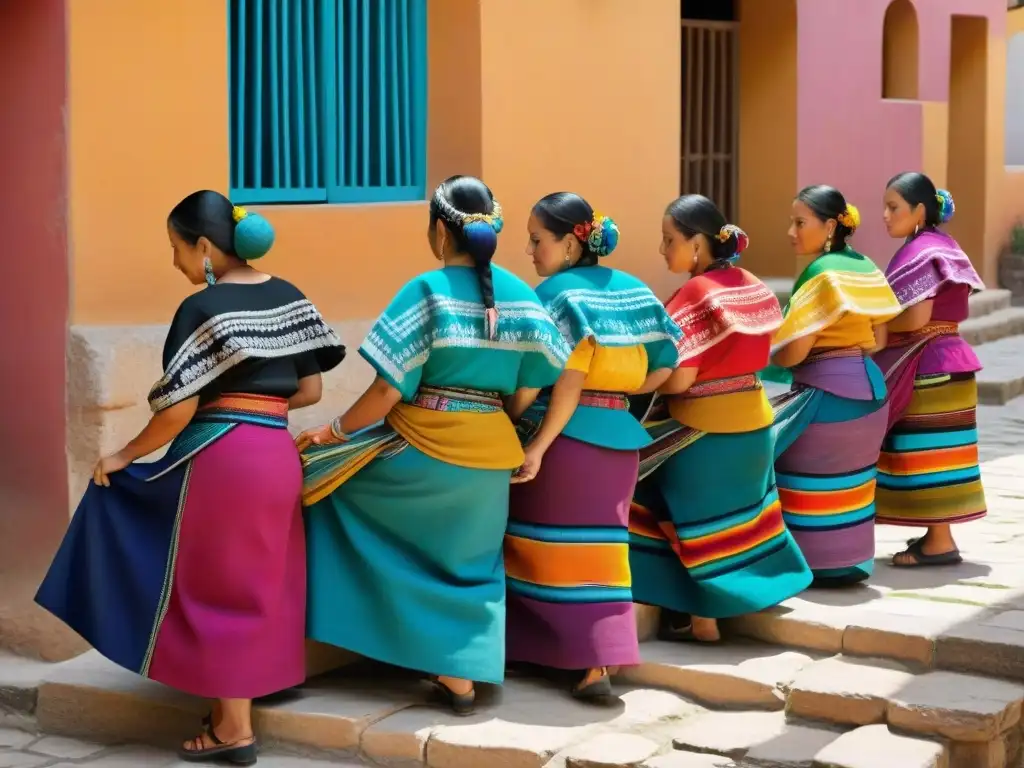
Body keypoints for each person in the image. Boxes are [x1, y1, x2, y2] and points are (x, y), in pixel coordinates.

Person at [35, 191, 345, 765]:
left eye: (176, 249)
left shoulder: (202, 308)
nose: (175, 263)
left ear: (203, 247)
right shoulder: (291, 297)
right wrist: (262, 407)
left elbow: (177, 410)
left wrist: (124, 455)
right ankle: (237, 709)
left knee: (216, 586)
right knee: (259, 585)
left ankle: (234, 731)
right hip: (275, 453)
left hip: (224, 457)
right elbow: (311, 390)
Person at [297, 175, 570, 716]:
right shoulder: (521, 293)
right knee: (469, 563)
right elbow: (536, 378)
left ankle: (368, 640)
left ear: (441, 231)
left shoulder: (426, 290)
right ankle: (461, 672)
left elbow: (383, 390)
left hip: (424, 448)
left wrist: (333, 432)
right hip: (492, 458)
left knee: (326, 492)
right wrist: (498, 417)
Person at [505, 192, 682, 700]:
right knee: (602, 555)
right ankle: (597, 661)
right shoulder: (634, 290)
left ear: (568, 242)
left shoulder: (557, 295)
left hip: (567, 443)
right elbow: (667, 362)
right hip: (619, 440)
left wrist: (527, 435)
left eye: (538, 240)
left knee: (543, 550)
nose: (530, 250)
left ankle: (578, 662)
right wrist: (622, 391)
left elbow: (562, 378)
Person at [628, 195, 812, 644]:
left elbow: (678, 380)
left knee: (633, 479)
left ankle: (701, 615)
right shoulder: (749, 281)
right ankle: (720, 602)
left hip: (707, 431)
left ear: (696, 244)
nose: (661, 250)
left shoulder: (694, 294)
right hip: (754, 426)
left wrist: (637, 377)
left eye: (669, 240)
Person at [766, 185, 902, 587]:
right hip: (871, 392)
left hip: (828, 399)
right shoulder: (864, 266)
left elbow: (795, 352)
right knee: (852, 485)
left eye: (799, 222)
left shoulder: (819, 274)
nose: (791, 231)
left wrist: (773, 355)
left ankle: (810, 563)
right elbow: (879, 340)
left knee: (786, 469)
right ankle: (849, 561)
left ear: (828, 226)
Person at [873, 173, 987, 566]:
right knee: (943, 453)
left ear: (919, 210)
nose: (885, 216)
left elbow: (918, 316)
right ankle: (937, 537)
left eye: (894, 207)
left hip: (929, 364)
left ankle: (940, 542)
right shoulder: (945, 245)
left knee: (923, 452)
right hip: (954, 359)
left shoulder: (917, 251)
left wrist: (879, 327)